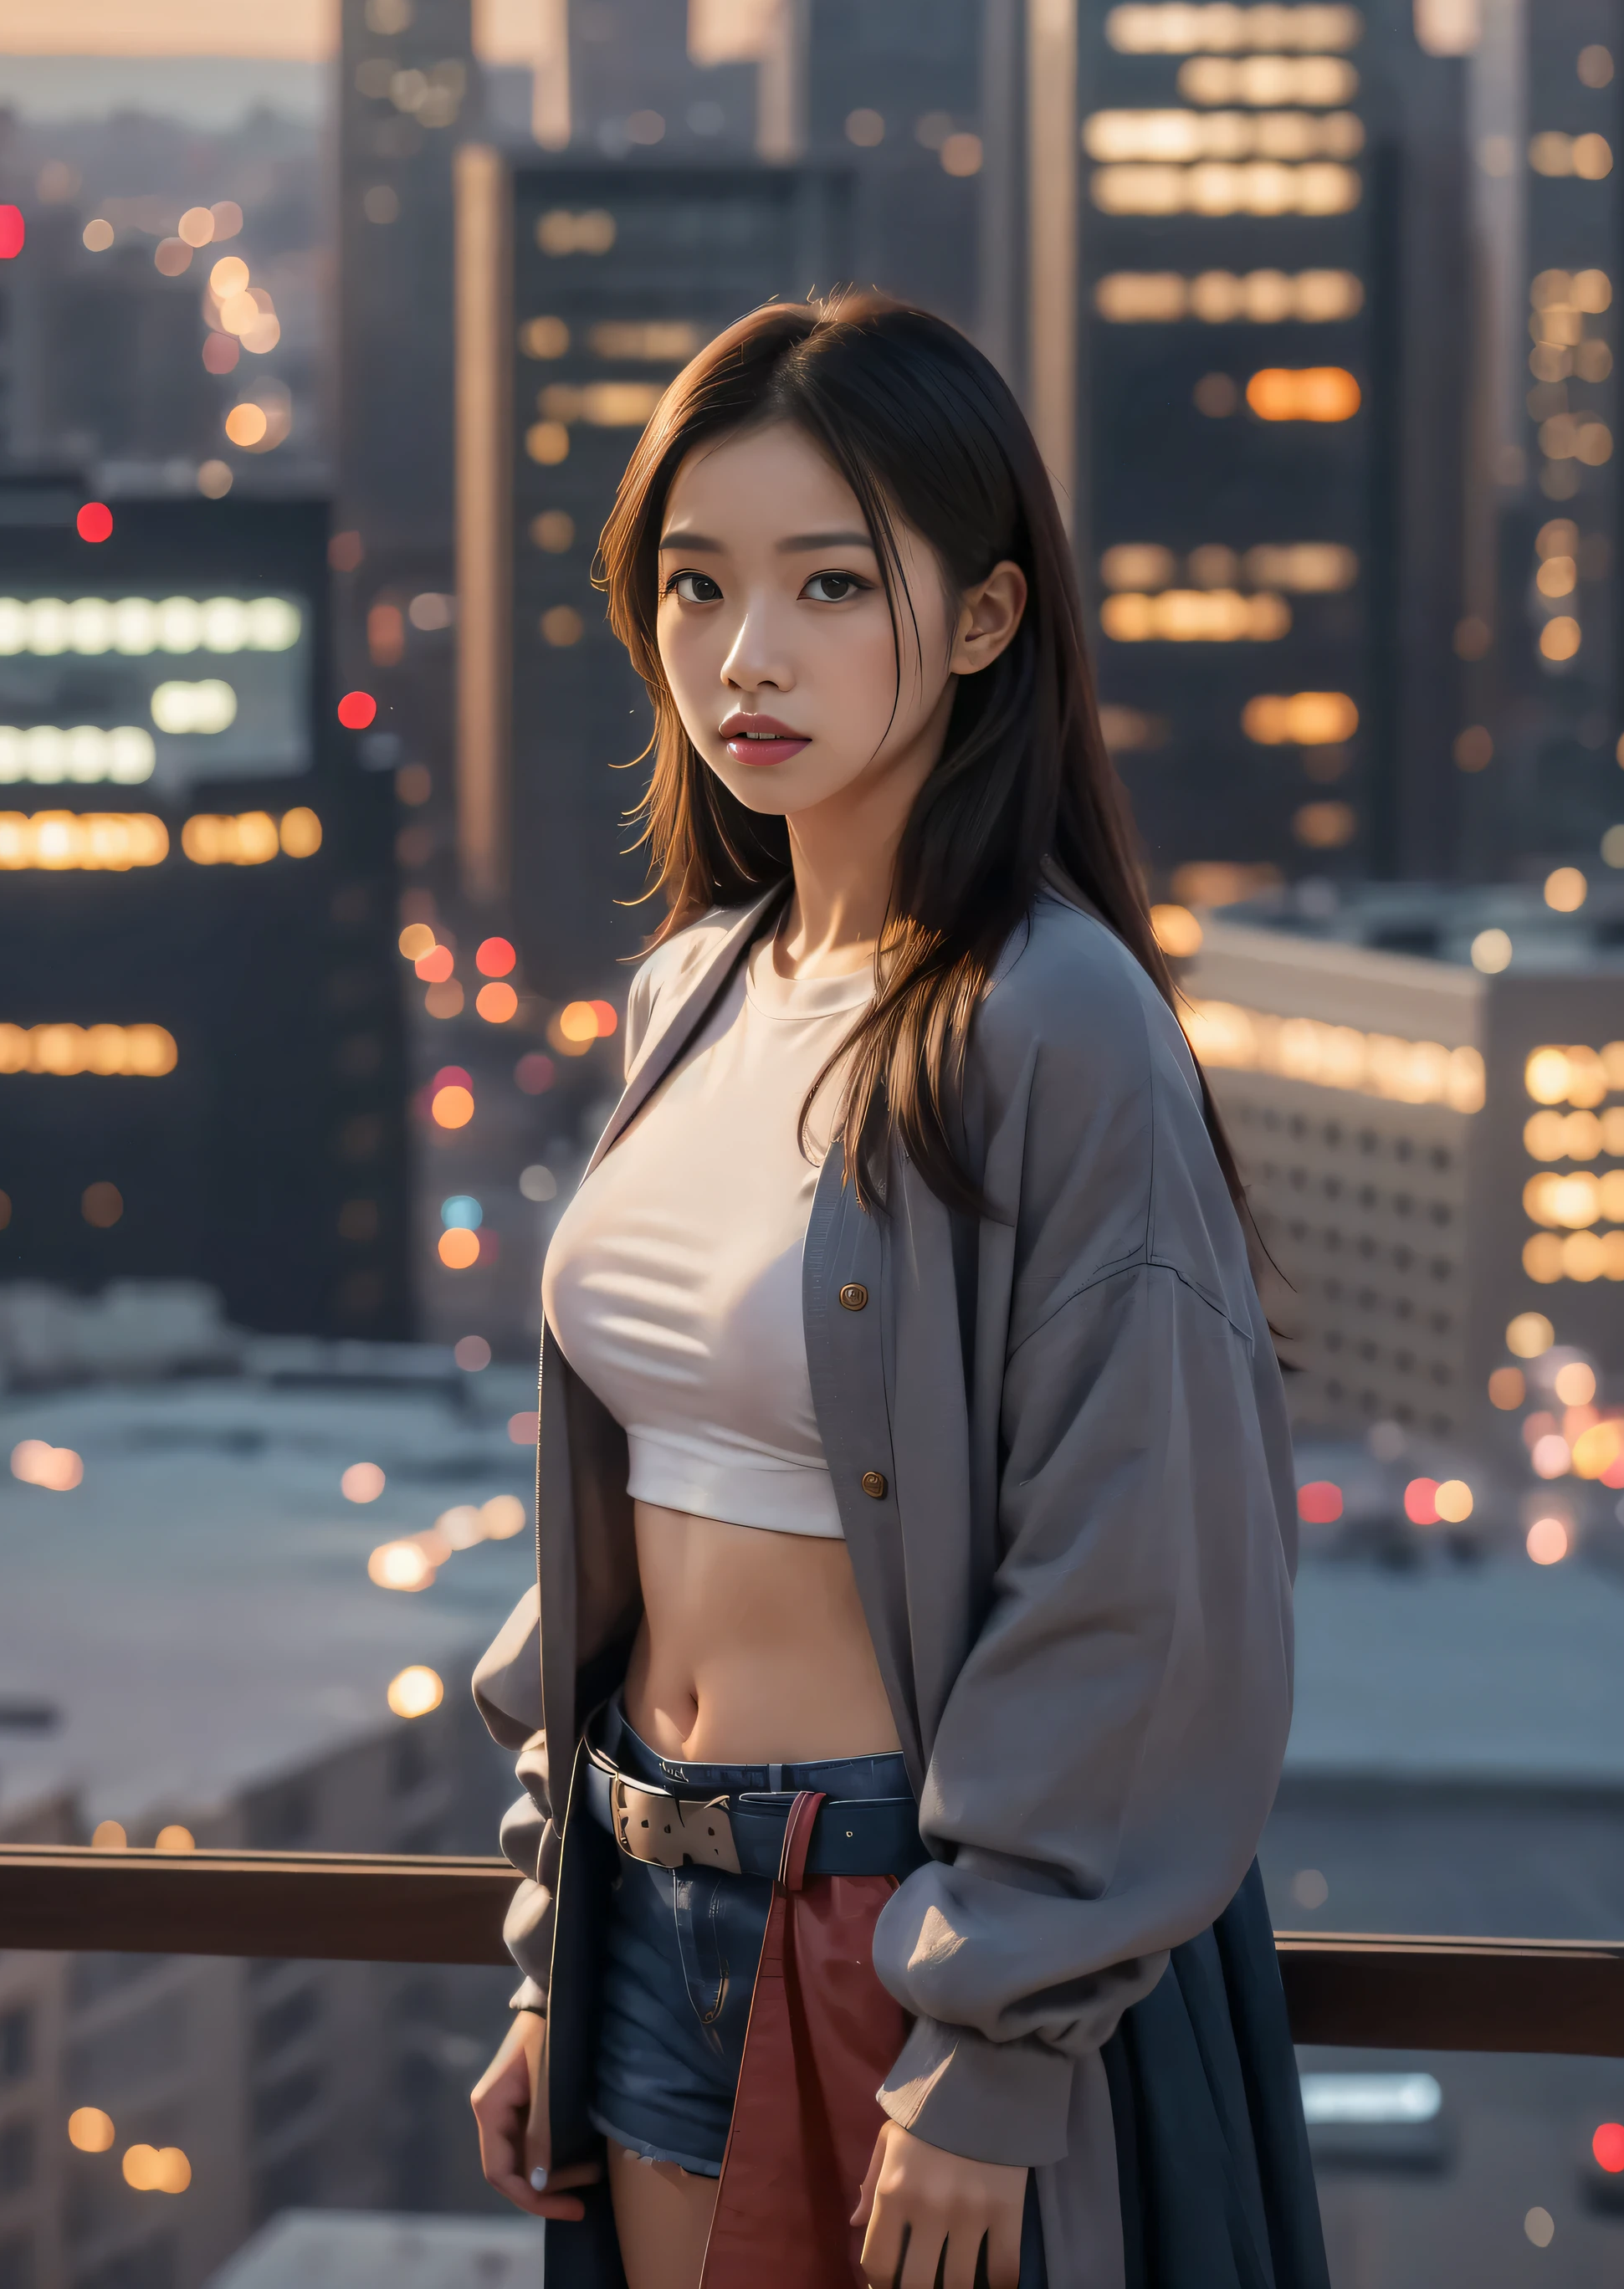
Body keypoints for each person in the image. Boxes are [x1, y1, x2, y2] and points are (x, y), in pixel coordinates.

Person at [470, 293, 1329, 2289]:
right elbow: (606, 1543)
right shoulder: (689, 994)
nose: (744, 656)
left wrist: (989, 2041)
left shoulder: (1056, 1020)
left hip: (896, 1926)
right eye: (695, 586)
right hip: (645, 1890)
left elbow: (1142, 1575)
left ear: (982, 619)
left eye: (830, 583)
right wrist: (547, 1952)